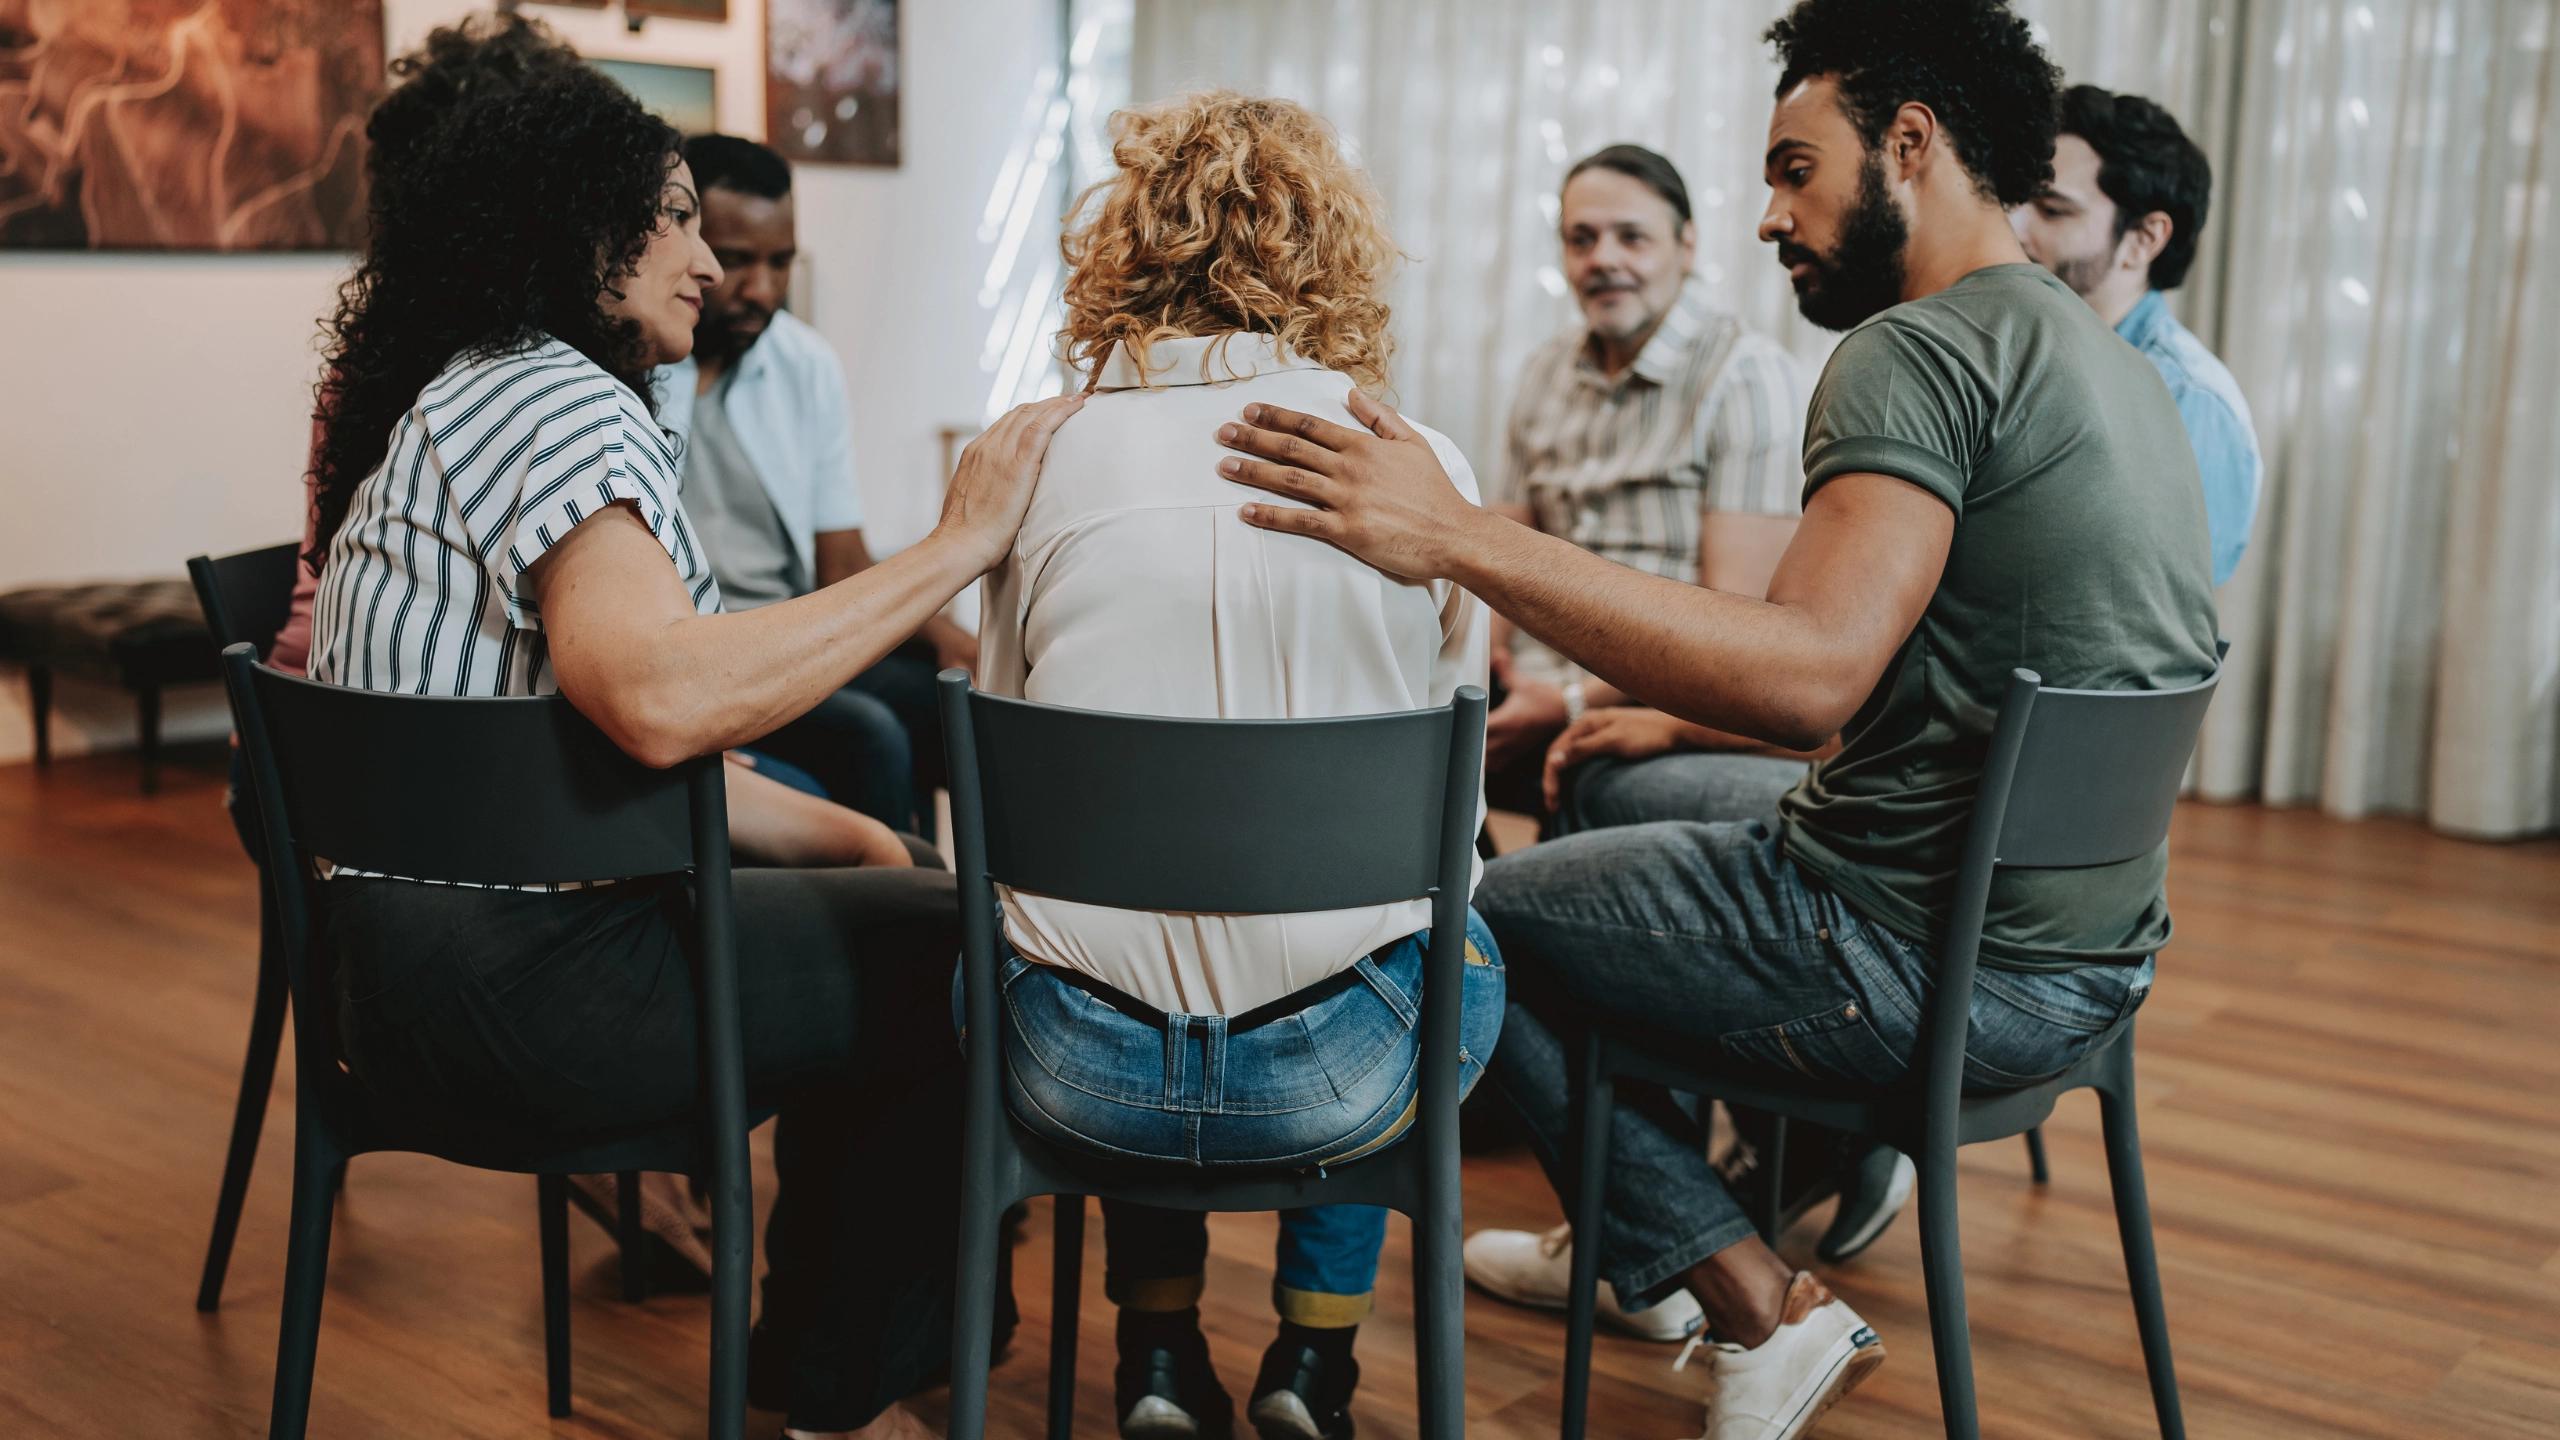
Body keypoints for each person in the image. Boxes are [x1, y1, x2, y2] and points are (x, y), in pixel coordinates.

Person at [1209, 1, 2218, 1433]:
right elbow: (1868, 685)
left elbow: (1806, 676)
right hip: (2089, 956)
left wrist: (1460, 538)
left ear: (1909, 146)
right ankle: (1644, 1235)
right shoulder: (2098, 354)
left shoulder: (1917, 352)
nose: (1767, 216)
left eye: (1794, 168)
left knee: (1452, 921)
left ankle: (1747, 1294)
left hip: (1930, 958)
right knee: (1611, 793)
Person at [303, 30, 1083, 1440]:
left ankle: (833, 1374)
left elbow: (603, 755)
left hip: (402, 990)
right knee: (947, 959)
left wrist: (863, 838)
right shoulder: (554, 402)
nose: (710, 263)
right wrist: (962, 544)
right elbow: (659, 700)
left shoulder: (470, 388)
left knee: (909, 897)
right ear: (575, 229)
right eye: (670, 217)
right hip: (514, 998)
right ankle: (837, 1399)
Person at [972, 91, 1503, 1440]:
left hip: (1074, 1070)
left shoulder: (1034, 461)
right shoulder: (1416, 464)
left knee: (1104, 921)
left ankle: (1155, 1357)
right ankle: (1312, 1364)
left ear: (1126, 246)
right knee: (1433, 920)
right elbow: (1459, 796)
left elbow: (1001, 786)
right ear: (1335, 247)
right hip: (1348, 1073)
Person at [652, 133, 975, 832]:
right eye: (736, 261)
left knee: (965, 708)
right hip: (707, 656)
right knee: (870, 736)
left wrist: (951, 636)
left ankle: (990, 927)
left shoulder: (807, 366)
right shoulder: (633, 371)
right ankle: (894, 918)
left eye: (780, 262)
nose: (761, 289)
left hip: (797, 635)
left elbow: (842, 566)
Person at [1481, 143, 1809, 815]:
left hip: (1656, 701)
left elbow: (1736, 628)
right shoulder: (1544, 372)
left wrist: (1568, 702)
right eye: (1582, 239)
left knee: (1584, 780)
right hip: (1527, 687)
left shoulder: (1746, 374)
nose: (1603, 258)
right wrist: (1479, 674)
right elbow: (1495, 550)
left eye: (1632, 237)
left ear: (1686, 246)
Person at [2015, 83, 2261, 586]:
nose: (2016, 226)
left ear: (2144, 239)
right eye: (2019, 201)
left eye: (2053, 209)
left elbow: (2149, 619)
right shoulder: (2026, 351)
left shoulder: (2188, 401)